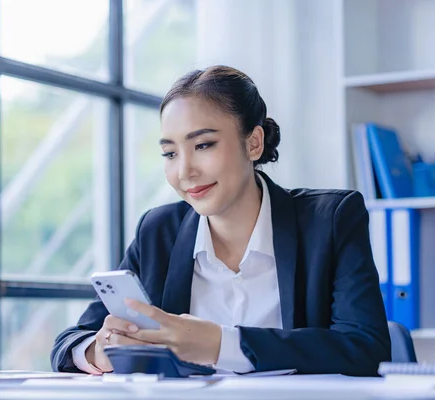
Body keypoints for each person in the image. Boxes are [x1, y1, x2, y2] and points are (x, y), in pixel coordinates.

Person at [50, 65, 391, 376]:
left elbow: (364, 348)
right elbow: (71, 341)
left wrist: (219, 344)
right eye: (170, 153)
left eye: (204, 145)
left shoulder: (329, 219)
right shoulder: (158, 231)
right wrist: (100, 350)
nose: (185, 171)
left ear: (253, 142)